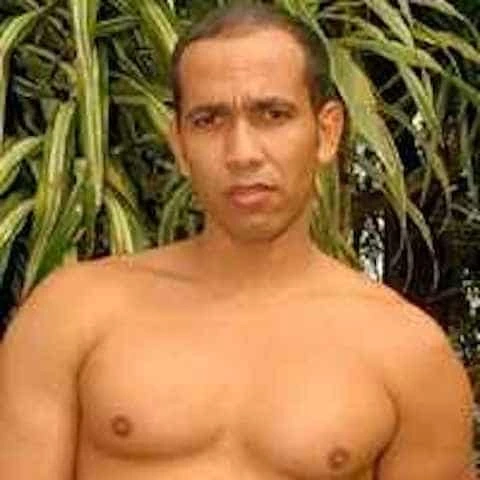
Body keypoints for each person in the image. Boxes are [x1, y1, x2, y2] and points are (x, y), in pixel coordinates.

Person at [0, 4, 476, 479]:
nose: (242, 153)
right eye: (209, 120)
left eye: (273, 114)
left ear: (327, 132)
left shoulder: (408, 356)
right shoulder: (72, 314)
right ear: (179, 144)